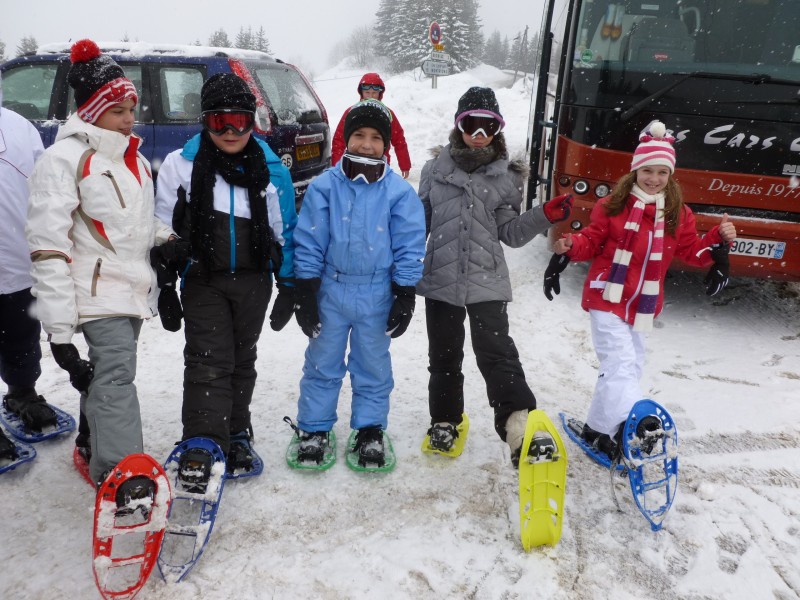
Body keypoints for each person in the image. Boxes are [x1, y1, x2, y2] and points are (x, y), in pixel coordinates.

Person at [26, 40, 177, 495]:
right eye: (118, 110)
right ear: (91, 111)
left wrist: (166, 237)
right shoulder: (63, 161)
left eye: (131, 108)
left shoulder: (133, 159)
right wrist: (58, 332)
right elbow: (48, 248)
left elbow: (133, 223)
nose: (130, 118)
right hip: (94, 291)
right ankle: (121, 475)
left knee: (103, 374)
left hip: (131, 288)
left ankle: (93, 440)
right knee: (115, 377)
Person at [547, 120, 736, 460]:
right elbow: (591, 239)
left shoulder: (678, 214)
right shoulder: (613, 206)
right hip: (607, 296)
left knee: (628, 368)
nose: (654, 178)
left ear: (670, 175)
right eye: (647, 170)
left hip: (642, 306)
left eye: (662, 172)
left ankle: (597, 430)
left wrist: (717, 242)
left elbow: (691, 251)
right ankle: (639, 422)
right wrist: (570, 245)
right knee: (619, 363)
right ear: (635, 170)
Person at [416, 86, 574, 467]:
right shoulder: (434, 171)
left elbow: (511, 233)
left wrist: (543, 215)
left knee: (497, 353)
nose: (479, 134)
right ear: (458, 125)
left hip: (486, 279)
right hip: (441, 279)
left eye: (488, 126)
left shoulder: (507, 177)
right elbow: (417, 224)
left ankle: (518, 426)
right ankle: (445, 421)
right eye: (471, 123)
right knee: (444, 355)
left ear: (498, 130)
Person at [154, 73, 298, 478]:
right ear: (205, 122)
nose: (231, 131)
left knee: (241, 357)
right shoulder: (181, 165)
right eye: (219, 122)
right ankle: (202, 439)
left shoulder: (271, 168)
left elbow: (286, 231)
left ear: (253, 121)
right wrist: (166, 282)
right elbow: (160, 225)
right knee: (207, 359)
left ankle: (235, 431)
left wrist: (289, 284)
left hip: (254, 280)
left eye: (240, 120)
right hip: (203, 278)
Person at [291, 99, 426, 467]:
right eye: (359, 135)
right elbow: (310, 240)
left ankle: (369, 429)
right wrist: (306, 289)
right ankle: (314, 427)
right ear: (347, 138)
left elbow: (410, 245)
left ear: (386, 144)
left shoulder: (398, 193)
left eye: (376, 138)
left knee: (373, 365)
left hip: (376, 293)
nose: (367, 144)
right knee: (322, 362)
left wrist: (405, 292)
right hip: (331, 290)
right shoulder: (325, 187)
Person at [0, 76, 47, 459]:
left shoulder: (19, 126)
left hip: (18, 262)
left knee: (21, 336)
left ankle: (22, 393)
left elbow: (45, 189)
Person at [330, 73, 412, 179]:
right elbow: (338, 141)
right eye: (367, 92)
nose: (370, 96)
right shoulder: (352, 112)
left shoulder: (387, 114)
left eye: (374, 93)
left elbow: (399, 140)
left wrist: (405, 165)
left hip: (380, 165)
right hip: (353, 164)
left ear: (380, 93)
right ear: (361, 92)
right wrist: (337, 167)